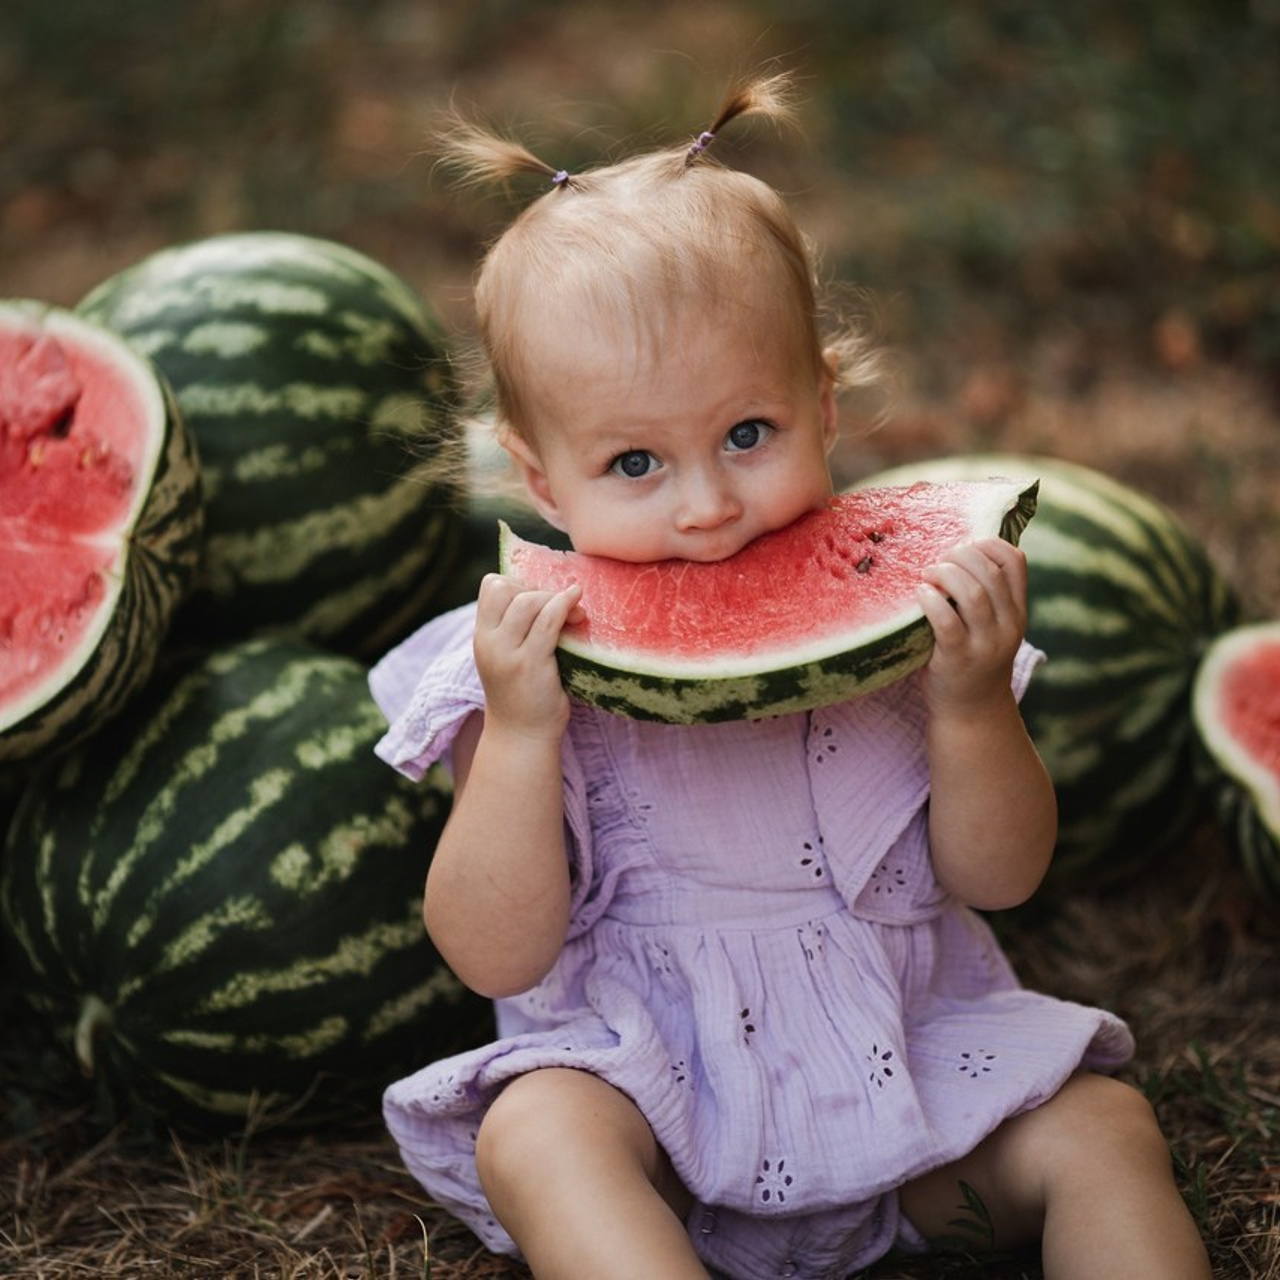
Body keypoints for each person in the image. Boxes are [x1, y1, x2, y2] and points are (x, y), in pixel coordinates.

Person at [369, 71, 1211, 1280]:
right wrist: (515, 735)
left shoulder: (905, 633)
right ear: (540, 480)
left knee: (1101, 1128)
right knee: (537, 1131)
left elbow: (1002, 873)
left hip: (907, 1083)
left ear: (822, 400)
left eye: (747, 434)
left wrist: (969, 705)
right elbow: (494, 953)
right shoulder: (517, 664)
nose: (707, 505)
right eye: (634, 462)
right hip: (647, 1092)